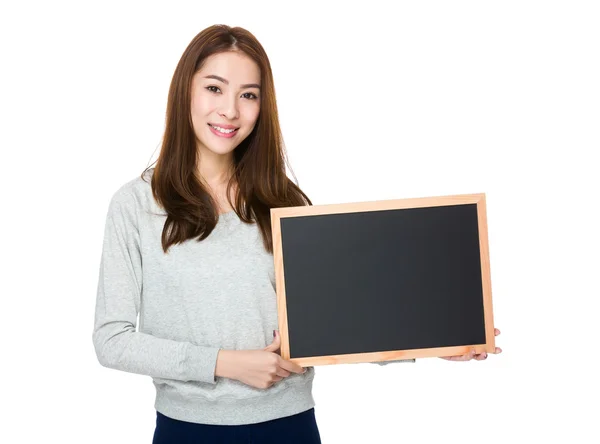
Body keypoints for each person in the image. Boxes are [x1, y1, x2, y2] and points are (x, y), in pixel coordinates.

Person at [92, 24, 502, 444]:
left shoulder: (282, 201)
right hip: (187, 430)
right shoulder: (136, 205)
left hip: (289, 427)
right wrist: (226, 363)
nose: (230, 110)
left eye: (248, 95)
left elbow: (337, 319)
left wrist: (438, 339)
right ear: (185, 92)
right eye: (215, 88)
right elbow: (112, 340)